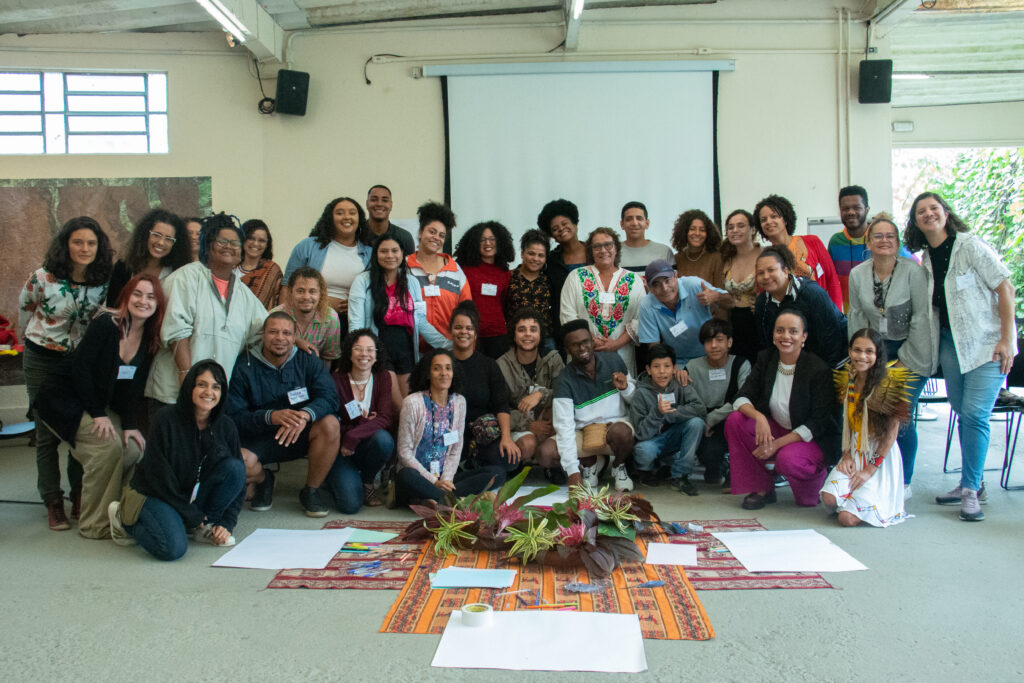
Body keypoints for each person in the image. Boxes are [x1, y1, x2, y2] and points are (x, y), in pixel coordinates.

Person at [904, 192, 1017, 522]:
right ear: (915, 221)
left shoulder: (969, 246)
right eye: (921, 211)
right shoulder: (924, 258)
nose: (929, 214)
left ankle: (970, 491)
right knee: (961, 409)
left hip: (988, 345)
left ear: (945, 212)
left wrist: (1007, 340)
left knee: (974, 413)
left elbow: (1005, 288)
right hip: (951, 346)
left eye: (934, 208)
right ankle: (974, 481)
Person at [33, 274, 165, 538]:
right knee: (106, 448)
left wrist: (129, 425)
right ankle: (94, 525)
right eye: (138, 294)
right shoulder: (107, 323)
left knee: (132, 449)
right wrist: (96, 414)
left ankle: (117, 515)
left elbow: (132, 387)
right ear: (126, 297)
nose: (143, 301)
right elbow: (81, 370)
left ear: (158, 304)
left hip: (95, 403)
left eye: (151, 297)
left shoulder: (149, 339)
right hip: (63, 400)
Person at [19, 216, 113, 530]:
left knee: (76, 428)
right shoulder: (43, 277)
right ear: (66, 244)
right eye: (78, 242)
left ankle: (79, 494)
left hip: (79, 363)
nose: (84, 248)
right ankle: (52, 500)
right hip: (41, 358)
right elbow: (27, 306)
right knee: (47, 435)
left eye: (91, 243)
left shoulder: (104, 279)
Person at [109, 360, 246, 559]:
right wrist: (190, 514)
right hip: (155, 492)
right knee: (172, 548)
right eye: (202, 384)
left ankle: (202, 526)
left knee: (234, 468)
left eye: (216, 387)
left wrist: (226, 524)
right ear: (190, 386)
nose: (209, 392)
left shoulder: (226, 426)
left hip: (187, 494)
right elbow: (158, 478)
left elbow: (238, 481)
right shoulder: (165, 419)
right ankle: (124, 519)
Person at [847, 213, 935, 492]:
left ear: (898, 242)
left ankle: (905, 481)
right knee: (872, 411)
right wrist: (860, 357)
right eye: (878, 236)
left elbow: (922, 318)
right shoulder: (858, 274)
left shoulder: (914, 272)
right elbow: (857, 317)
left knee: (899, 413)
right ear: (868, 242)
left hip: (912, 350)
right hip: (875, 350)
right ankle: (875, 475)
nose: (884, 241)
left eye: (890, 236)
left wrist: (905, 361)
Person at [146, 213, 266, 409]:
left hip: (213, 400)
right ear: (208, 245)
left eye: (235, 243)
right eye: (222, 241)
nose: (229, 246)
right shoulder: (185, 278)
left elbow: (264, 329)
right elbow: (176, 331)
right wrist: (187, 380)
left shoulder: (244, 294)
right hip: (173, 396)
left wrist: (296, 339)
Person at [225, 312, 340, 517]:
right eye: (273, 332)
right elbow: (234, 415)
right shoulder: (245, 365)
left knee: (330, 424)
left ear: (295, 336)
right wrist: (270, 416)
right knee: (238, 462)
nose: (280, 338)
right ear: (263, 334)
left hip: (299, 433)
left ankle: (311, 490)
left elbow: (330, 396)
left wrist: (305, 415)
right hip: (261, 435)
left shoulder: (308, 359)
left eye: (286, 333)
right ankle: (264, 480)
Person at [725, 309, 838, 509]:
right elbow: (741, 397)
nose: (786, 336)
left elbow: (818, 422)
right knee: (736, 420)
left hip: (809, 438)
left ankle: (818, 471)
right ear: (774, 334)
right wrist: (759, 417)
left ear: (804, 337)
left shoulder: (817, 369)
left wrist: (776, 445)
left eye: (793, 331)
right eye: (780, 330)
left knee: (804, 498)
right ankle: (761, 488)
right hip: (776, 426)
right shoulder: (766, 358)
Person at [821, 329, 912, 527]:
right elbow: (847, 425)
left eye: (869, 351)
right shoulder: (848, 380)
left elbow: (891, 434)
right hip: (854, 450)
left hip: (879, 457)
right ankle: (852, 500)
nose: (862, 356)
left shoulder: (890, 385)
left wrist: (869, 470)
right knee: (828, 499)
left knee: (846, 519)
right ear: (850, 351)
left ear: (878, 355)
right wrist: (846, 456)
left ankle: (857, 505)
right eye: (857, 350)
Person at [395, 349, 506, 505]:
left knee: (498, 473)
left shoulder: (459, 402)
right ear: (428, 373)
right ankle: (449, 500)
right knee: (406, 475)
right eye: (437, 368)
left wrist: (445, 480)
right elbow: (404, 453)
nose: (443, 373)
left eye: (448, 368)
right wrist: (433, 482)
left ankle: (436, 499)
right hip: (418, 477)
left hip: (446, 477)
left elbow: (456, 448)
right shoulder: (412, 403)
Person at [349, 235, 450, 397]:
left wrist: (448, 345)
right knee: (396, 404)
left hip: (406, 350)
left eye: (394, 251)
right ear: (376, 255)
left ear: (402, 253)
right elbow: (356, 323)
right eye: (384, 251)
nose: (390, 255)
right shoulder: (362, 281)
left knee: (409, 401)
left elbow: (421, 322)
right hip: (378, 347)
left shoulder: (412, 282)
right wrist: (358, 353)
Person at [552, 319, 637, 491]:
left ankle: (618, 466)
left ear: (592, 340)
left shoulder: (613, 360)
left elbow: (636, 401)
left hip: (614, 427)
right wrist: (572, 472)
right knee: (546, 453)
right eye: (575, 345)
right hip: (583, 431)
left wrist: (626, 388)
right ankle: (590, 464)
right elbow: (564, 426)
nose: (582, 348)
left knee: (622, 433)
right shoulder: (563, 380)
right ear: (567, 350)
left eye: (585, 342)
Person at [559, 227, 645, 374]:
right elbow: (568, 316)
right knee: (585, 393)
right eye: (597, 246)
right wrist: (591, 341)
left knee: (622, 391)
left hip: (621, 354)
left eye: (608, 245)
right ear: (591, 251)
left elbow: (640, 318)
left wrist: (616, 344)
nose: (603, 250)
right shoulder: (575, 277)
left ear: (616, 248)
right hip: (583, 354)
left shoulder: (633, 280)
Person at [330, 330, 398, 513]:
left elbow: (385, 418)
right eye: (358, 349)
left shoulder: (383, 377)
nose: (364, 354)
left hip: (361, 444)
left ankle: (368, 480)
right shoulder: (337, 380)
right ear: (349, 353)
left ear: (376, 355)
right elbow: (333, 420)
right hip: (341, 452)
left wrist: (353, 434)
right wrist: (365, 423)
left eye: (370, 350)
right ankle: (337, 479)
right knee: (350, 506)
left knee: (383, 440)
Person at [449, 302, 521, 473]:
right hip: (448, 434)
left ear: (475, 334)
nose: (464, 332)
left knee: (508, 461)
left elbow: (501, 405)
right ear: (450, 331)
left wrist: (506, 438)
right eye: (458, 327)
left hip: (480, 434)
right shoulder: (439, 362)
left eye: (469, 328)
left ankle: (470, 471)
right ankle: (470, 473)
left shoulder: (488, 366)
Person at [496, 307, 566, 483]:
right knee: (528, 445)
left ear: (541, 334)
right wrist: (528, 425)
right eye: (522, 330)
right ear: (513, 335)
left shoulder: (553, 358)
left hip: (550, 424)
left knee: (555, 406)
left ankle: (552, 464)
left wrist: (540, 394)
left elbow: (565, 393)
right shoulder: (501, 365)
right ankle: (518, 463)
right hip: (518, 425)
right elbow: (498, 407)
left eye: (533, 329)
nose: (528, 335)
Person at [283, 197, 374, 327]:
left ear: (359, 219)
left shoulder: (371, 253)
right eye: (340, 213)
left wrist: (358, 304)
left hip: (353, 322)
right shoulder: (307, 246)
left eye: (352, 213)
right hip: (309, 320)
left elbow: (376, 293)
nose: (346, 217)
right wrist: (286, 324)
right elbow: (287, 286)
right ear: (330, 218)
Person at [753, 245, 848, 368]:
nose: (766, 276)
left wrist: (821, 377)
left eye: (771, 270)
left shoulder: (812, 293)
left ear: (786, 270)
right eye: (760, 273)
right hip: (796, 365)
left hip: (834, 362)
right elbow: (767, 344)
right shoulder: (762, 302)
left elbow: (830, 339)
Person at [629, 344, 706, 495]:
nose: (662, 371)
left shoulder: (680, 383)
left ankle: (680, 475)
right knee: (643, 451)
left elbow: (700, 409)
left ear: (675, 368)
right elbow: (640, 434)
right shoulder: (641, 393)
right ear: (648, 369)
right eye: (656, 366)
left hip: (674, 437)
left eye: (667, 366)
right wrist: (657, 413)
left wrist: (671, 413)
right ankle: (645, 471)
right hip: (653, 441)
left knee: (697, 423)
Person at [685, 319, 751, 486]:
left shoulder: (741, 364)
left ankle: (735, 468)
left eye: (719, 340)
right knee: (709, 452)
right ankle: (715, 466)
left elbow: (743, 398)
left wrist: (712, 419)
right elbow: (689, 400)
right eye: (708, 341)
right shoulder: (692, 367)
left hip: (730, 417)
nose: (713, 345)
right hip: (703, 420)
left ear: (729, 342)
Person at [755, 194, 843, 311]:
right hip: (789, 321)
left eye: (774, 216)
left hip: (821, 314)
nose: (769, 222)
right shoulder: (766, 257)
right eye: (763, 220)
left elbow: (832, 280)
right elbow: (765, 294)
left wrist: (836, 315)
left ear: (785, 219)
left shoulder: (812, 242)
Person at [637, 259, 724, 372]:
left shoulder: (694, 285)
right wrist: (670, 369)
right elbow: (655, 348)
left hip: (709, 357)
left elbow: (731, 301)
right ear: (649, 287)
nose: (665, 288)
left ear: (676, 276)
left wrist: (716, 296)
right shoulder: (646, 305)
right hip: (677, 363)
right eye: (656, 284)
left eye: (667, 280)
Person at [406, 201, 471, 343]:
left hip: (447, 349)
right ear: (420, 233)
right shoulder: (404, 267)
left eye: (441, 235)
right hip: (411, 350)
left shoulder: (455, 271)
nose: (436, 238)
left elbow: (467, 310)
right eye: (432, 232)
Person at [455, 221, 515, 358]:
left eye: (492, 239)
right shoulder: (464, 270)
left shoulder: (504, 272)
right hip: (470, 333)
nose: (488, 243)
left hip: (498, 335)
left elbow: (505, 303)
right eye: (482, 240)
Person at [106, 208, 189, 305]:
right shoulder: (123, 268)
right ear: (145, 235)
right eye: (157, 235)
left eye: (168, 239)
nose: (161, 242)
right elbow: (113, 307)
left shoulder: (178, 273)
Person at [268, 267, 342, 369]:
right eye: (300, 291)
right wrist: (296, 340)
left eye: (312, 291)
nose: (306, 297)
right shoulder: (274, 316)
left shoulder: (331, 318)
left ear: (321, 294)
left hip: (312, 374)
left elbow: (328, 358)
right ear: (290, 292)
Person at [538, 198, 587, 344]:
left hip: (598, 321)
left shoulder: (596, 254)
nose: (561, 229)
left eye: (565, 223)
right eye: (555, 228)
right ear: (552, 235)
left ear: (575, 224)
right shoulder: (550, 261)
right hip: (564, 327)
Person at [720, 209, 762, 365]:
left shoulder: (765, 254)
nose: (735, 230)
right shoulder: (725, 258)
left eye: (740, 226)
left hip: (759, 324)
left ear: (753, 229)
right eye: (730, 227)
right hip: (734, 325)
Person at [506, 230, 556, 354]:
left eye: (540, 255)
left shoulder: (549, 280)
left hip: (545, 338)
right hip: (515, 339)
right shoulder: (509, 277)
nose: (535, 259)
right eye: (531, 253)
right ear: (522, 253)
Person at [672, 209, 727, 292]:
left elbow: (722, 294)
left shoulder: (716, 258)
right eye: (692, 229)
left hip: (709, 305)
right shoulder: (677, 258)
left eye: (702, 230)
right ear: (684, 231)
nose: (697, 233)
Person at [236, 218, 283, 309]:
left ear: (267, 245)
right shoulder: (230, 268)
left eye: (261, 240)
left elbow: (278, 304)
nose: (256, 243)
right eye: (251, 238)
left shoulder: (272, 271)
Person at [618, 201, 673, 274]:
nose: (634, 223)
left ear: (647, 223)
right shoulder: (612, 252)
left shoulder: (664, 252)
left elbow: (672, 283)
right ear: (622, 224)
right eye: (629, 219)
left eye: (639, 218)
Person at [365, 184, 416, 255]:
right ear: (367, 203)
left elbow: (410, 265)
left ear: (391, 205)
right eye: (374, 200)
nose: (379, 204)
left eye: (385, 200)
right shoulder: (356, 234)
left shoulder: (404, 237)